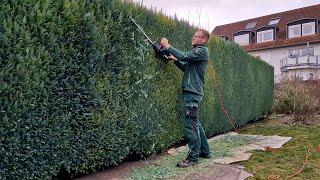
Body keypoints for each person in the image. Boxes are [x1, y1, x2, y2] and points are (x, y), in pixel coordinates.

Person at [160, 29, 211, 168]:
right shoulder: (197, 53)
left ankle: (192, 158)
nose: (194, 37)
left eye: (197, 36)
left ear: (204, 40)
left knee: (191, 125)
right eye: (194, 35)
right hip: (193, 91)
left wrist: (168, 46)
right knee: (195, 123)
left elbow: (183, 55)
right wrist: (174, 60)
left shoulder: (201, 51)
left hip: (193, 93)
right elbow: (185, 66)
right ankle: (205, 152)